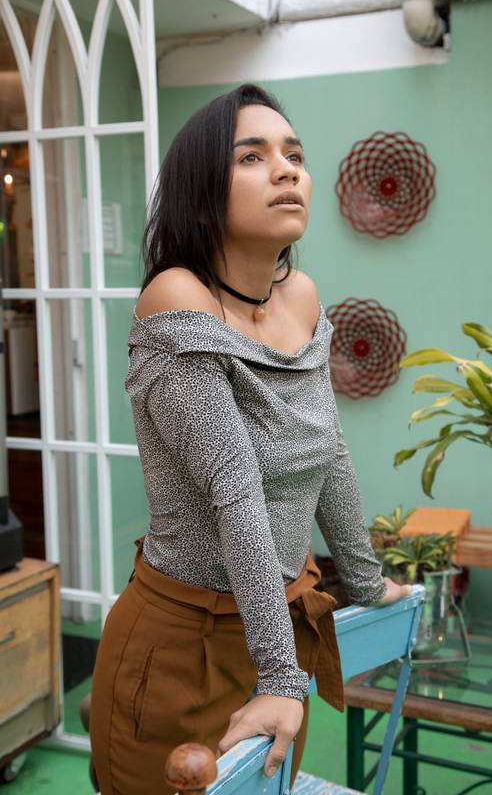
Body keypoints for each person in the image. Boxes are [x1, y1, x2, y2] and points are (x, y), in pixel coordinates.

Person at [89, 82, 411, 795]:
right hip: (181, 647)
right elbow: (235, 490)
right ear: (202, 190)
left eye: (292, 154)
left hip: (275, 630)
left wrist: (362, 580)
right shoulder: (177, 299)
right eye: (252, 156)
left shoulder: (300, 297)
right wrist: (279, 678)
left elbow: (329, 451)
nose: (287, 169)